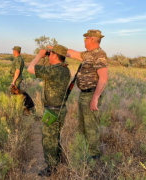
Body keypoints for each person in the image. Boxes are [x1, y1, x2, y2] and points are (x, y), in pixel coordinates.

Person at [49, 29, 108, 160]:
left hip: (91, 94)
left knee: (91, 126)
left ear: (91, 39)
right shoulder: (88, 54)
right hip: (84, 94)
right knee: (82, 125)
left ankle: (94, 155)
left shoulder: (100, 55)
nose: (84, 41)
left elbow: (103, 78)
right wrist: (55, 49)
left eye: (85, 38)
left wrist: (95, 98)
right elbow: (72, 53)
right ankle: (84, 150)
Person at [27, 44, 71, 177]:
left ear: (55, 55)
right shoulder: (65, 70)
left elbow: (30, 68)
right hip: (60, 109)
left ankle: (51, 168)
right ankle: (57, 163)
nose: (49, 55)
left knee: (48, 140)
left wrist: (40, 55)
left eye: (50, 54)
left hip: (52, 111)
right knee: (55, 138)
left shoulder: (54, 70)